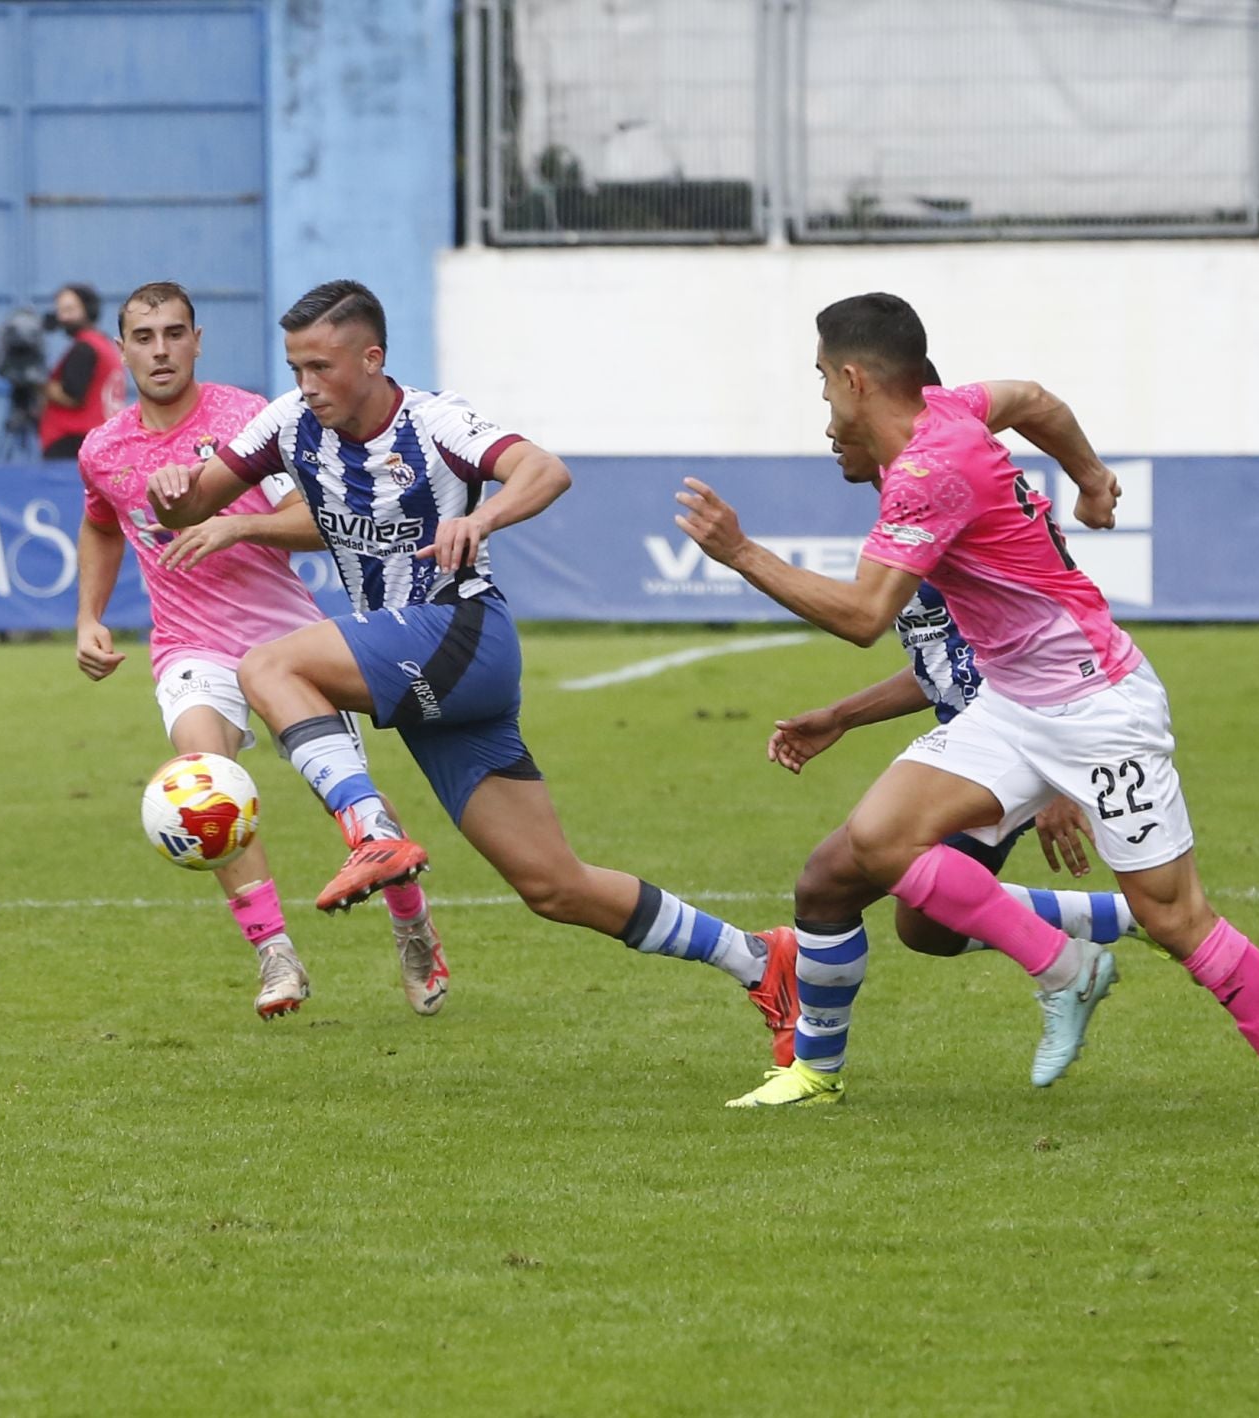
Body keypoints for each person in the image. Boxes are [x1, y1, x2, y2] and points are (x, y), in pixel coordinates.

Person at [675, 292, 1259, 1134]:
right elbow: (1033, 399)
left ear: (854, 379)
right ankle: (1065, 968)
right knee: (877, 840)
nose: (822, 398)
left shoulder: (925, 474)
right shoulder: (952, 409)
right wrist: (1091, 478)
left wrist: (740, 552)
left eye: (822, 379)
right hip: (1011, 703)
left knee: (1174, 915)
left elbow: (863, 616)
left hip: (1098, 707)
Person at [148, 278, 801, 1054]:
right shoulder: (288, 423)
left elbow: (545, 469)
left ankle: (370, 830)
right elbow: (189, 507)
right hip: (421, 669)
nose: (307, 384)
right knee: (553, 885)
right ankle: (758, 958)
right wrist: (170, 491)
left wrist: (481, 518)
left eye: (322, 367)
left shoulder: (434, 420)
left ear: (372, 358)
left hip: (462, 633)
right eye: (296, 368)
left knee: (267, 666)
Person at [75, 279, 448, 1020]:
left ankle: (412, 922)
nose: (160, 350)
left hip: (288, 645)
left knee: (346, 794)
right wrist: (89, 616)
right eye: (144, 337)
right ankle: (275, 953)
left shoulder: (249, 419)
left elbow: (320, 517)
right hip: (189, 646)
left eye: (174, 334)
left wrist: (230, 521)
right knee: (203, 782)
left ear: (197, 341)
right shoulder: (103, 449)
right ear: (122, 349)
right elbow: (101, 523)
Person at [766, 576, 1140, 1077]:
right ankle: (1132, 915)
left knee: (826, 885)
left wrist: (1057, 778)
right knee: (927, 928)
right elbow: (945, 664)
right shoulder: (913, 537)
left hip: (1007, 757)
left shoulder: (959, 535)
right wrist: (842, 716)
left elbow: (1053, 646)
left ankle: (814, 1072)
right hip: (981, 750)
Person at [42, 283, 127, 460]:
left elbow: (72, 395)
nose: (62, 317)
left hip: (73, 441)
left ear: (88, 310)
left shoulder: (85, 347)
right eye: (60, 310)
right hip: (101, 437)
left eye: (69, 309)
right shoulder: (104, 345)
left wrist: (38, 384)